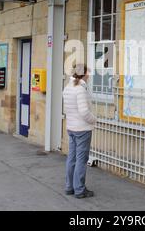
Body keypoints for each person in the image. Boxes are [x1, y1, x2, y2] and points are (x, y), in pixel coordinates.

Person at [63, 64, 97, 199]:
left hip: (71, 127)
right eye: (87, 73)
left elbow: (68, 109)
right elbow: (84, 112)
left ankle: (69, 187)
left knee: (71, 159)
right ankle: (80, 190)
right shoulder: (80, 89)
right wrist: (94, 120)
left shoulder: (67, 87)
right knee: (81, 160)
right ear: (83, 74)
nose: (89, 75)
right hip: (82, 129)